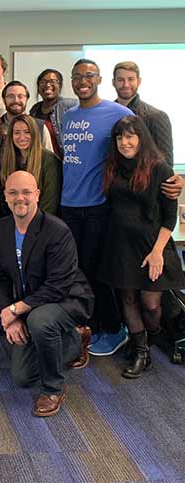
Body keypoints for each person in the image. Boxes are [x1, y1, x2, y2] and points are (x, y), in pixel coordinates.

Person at [0, 171, 94, 417]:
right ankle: (74, 341)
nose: (20, 198)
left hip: (67, 298)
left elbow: (58, 285)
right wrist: (11, 314)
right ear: (5, 196)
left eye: (26, 192)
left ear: (37, 194)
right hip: (29, 303)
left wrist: (17, 309)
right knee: (22, 377)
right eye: (13, 192)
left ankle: (52, 389)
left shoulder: (57, 230)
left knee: (40, 321)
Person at [99, 116, 185, 378]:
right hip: (120, 245)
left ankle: (153, 336)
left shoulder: (159, 168)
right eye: (120, 137)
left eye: (130, 136)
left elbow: (170, 217)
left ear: (141, 138)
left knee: (151, 304)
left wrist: (158, 251)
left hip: (152, 246)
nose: (124, 142)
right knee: (127, 298)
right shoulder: (112, 166)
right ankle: (141, 350)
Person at [61, 58, 136, 357]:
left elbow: (137, 153)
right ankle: (90, 326)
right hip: (68, 205)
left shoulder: (119, 113)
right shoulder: (69, 116)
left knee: (95, 271)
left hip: (97, 206)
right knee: (75, 272)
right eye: (77, 76)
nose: (82, 81)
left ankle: (115, 328)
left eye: (89, 75)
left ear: (99, 79)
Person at [113, 61, 173, 167]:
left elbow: (166, 163)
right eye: (120, 80)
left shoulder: (156, 117)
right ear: (114, 82)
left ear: (139, 81)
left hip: (146, 181)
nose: (126, 84)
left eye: (131, 79)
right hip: (112, 180)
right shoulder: (106, 115)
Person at [0, 113, 61, 214]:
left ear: (34, 133)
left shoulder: (49, 159)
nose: (22, 137)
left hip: (42, 221)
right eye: (17, 133)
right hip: (16, 219)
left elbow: (50, 203)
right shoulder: (8, 159)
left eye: (27, 132)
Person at [29, 69, 77, 159]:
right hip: (42, 164)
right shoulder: (34, 110)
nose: (47, 85)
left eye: (53, 81)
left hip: (64, 163)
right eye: (43, 82)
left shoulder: (70, 106)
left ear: (60, 85)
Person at [0, 80, 53, 152]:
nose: (16, 100)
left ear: (26, 99)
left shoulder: (40, 127)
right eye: (11, 96)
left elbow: (49, 160)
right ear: (4, 100)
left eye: (20, 96)